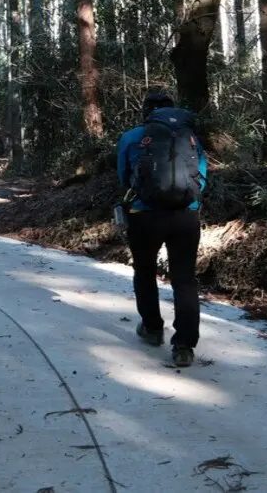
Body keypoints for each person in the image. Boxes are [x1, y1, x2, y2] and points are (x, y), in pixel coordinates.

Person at [116, 90, 207, 367]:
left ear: (146, 112)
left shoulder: (132, 137)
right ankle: (184, 346)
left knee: (144, 271)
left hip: (145, 215)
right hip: (185, 217)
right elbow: (202, 177)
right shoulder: (190, 137)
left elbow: (123, 176)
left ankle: (153, 328)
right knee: (184, 279)